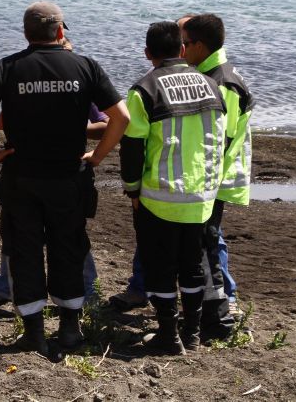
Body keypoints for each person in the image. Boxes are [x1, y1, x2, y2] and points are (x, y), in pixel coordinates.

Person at [0, 1, 129, 356]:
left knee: (24, 252)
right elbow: (121, 118)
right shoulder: (85, 66)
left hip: (21, 176)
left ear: (26, 33)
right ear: (59, 31)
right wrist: (97, 157)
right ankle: (69, 330)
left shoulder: (6, 68)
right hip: (68, 176)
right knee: (67, 248)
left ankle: (34, 333)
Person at [0, 39, 110, 309]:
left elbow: (107, 123)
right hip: (28, 174)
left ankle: (88, 293)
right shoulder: (23, 72)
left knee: (68, 239)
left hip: (62, 172)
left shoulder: (81, 77)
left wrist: (71, 126)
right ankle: (6, 287)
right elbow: (1, 121)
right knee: (19, 236)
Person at [120, 21, 226, 355]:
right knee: (192, 265)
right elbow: (220, 138)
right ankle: (191, 333)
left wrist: (132, 190)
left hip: (159, 197)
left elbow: (133, 146)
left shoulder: (144, 89)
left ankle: (168, 334)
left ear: (147, 53)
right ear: (182, 49)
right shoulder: (212, 86)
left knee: (161, 267)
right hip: (201, 197)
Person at [182, 13, 255, 339]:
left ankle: (222, 316)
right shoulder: (212, 71)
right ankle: (222, 307)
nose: (181, 51)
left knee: (207, 243)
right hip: (213, 174)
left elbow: (218, 138)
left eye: (185, 44)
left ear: (199, 44)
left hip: (216, 177)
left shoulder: (222, 81)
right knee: (208, 241)